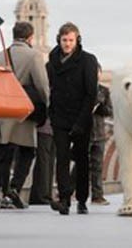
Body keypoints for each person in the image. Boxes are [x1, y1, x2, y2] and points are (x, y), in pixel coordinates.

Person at [0, 21, 49, 212]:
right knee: (28, 152)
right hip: (22, 112)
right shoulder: (34, 56)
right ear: (30, 37)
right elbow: (42, 85)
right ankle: (13, 189)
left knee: (0, 155)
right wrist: (46, 104)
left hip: (1, 112)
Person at [47, 22, 98, 215]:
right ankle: (64, 199)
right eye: (64, 40)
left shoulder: (88, 60)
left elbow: (91, 93)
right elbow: (51, 90)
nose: (67, 44)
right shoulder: (52, 61)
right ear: (59, 40)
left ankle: (82, 199)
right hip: (60, 117)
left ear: (77, 40)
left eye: (71, 40)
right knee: (61, 158)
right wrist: (51, 114)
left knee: (81, 159)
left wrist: (81, 121)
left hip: (81, 117)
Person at [89, 67, 113, 205]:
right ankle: (69, 191)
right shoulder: (82, 88)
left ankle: (97, 196)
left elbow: (109, 111)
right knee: (81, 165)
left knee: (97, 165)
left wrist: (100, 106)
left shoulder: (104, 91)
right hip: (85, 132)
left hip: (99, 133)